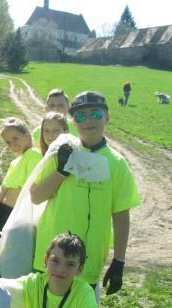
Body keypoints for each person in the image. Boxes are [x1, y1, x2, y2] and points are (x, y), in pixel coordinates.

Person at [30, 91, 140, 293]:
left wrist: (119, 260)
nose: (89, 120)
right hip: (51, 258)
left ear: (107, 117)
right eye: (81, 116)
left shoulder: (117, 164)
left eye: (96, 114)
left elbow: (121, 215)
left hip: (87, 262)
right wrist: (61, 171)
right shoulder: (60, 152)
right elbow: (36, 197)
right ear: (73, 120)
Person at [0, 117, 42, 232]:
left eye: (15, 138)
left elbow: (30, 189)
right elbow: (3, 188)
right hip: (1, 212)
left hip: (15, 216)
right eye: (8, 142)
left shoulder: (33, 154)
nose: (13, 144)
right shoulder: (15, 162)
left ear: (27, 134)